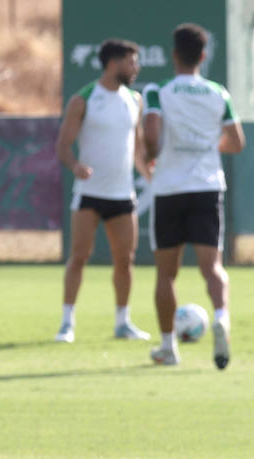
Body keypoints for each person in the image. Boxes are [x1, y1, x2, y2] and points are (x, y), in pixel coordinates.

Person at [141, 22, 245, 368]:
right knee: (212, 267)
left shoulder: (158, 91)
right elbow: (236, 141)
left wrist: (153, 152)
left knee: (166, 273)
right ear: (203, 56)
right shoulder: (218, 93)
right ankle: (221, 317)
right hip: (206, 186)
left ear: (174, 56)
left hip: (169, 187)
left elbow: (152, 132)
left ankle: (169, 346)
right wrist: (209, 145)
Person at [54, 37, 150, 343]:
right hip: (89, 193)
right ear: (114, 62)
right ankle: (67, 323)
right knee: (79, 256)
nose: (136, 67)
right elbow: (63, 147)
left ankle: (123, 321)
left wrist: (148, 171)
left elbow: (137, 146)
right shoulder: (84, 99)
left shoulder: (135, 100)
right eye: (131, 61)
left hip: (123, 195)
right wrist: (76, 166)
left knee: (125, 259)